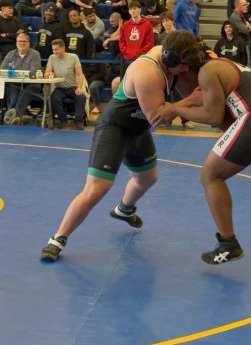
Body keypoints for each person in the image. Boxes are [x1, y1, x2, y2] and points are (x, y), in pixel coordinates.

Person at [40, 30, 203, 261]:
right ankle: (57, 239)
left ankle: (124, 209)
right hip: (115, 129)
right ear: (171, 59)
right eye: (183, 67)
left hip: (137, 129)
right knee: (97, 188)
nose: (185, 71)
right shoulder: (148, 72)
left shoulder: (172, 59)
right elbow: (158, 117)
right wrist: (191, 100)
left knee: (148, 178)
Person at [152, 35, 251, 287]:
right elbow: (225, 121)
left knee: (210, 175)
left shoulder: (208, 72)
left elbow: (212, 116)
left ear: (183, 63)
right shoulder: (222, 63)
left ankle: (228, 242)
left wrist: (175, 109)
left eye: (171, 66)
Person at [44, 38, 86, 130]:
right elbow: (46, 72)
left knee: (81, 97)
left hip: (73, 87)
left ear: (63, 48)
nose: (55, 51)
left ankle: (79, 121)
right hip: (59, 88)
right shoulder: (52, 57)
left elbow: (80, 74)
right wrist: (49, 74)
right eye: (53, 49)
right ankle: (64, 120)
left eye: (57, 49)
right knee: (53, 98)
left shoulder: (73, 57)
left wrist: (79, 88)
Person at [2, 32, 41, 125]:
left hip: (32, 84)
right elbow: (3, 70)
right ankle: (12, 119)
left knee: (23, 95)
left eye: (24, 41)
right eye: (19, 41)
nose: (21, 43)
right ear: (16, 43)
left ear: (29, 43)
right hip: (15, 83)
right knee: (14, 96)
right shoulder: (10, 54)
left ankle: (13, 119)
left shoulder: (35, 54)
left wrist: (15, 73)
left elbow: (33, 72)